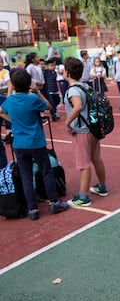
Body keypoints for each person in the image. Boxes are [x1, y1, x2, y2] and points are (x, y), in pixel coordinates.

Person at [0, 69, 69, 220]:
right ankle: (54, 202)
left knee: (26, 176)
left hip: (19, 144)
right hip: (36, 142)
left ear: (13, 84)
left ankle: (33, 210)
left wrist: (13, 121)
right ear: (28, 84)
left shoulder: (9, 101)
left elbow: (1, 110)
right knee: (46, 171)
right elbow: (48, 106)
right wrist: (38, 92)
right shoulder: (32, 99)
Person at [63, 57, 108, 207]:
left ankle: (83, 196)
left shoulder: (73, 90)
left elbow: (77, 106)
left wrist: (67, 122)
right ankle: (102, 186)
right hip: (93, 128)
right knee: (97, 159)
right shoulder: (86, 87)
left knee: (83, 164)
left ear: (67, 72)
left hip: (81, 131)